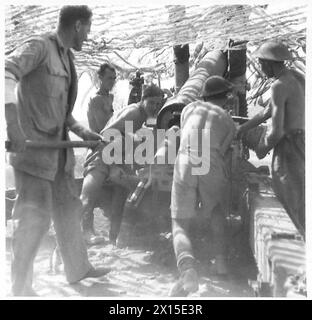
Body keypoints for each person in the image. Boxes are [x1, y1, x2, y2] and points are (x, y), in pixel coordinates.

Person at [5, 5, 111, 296]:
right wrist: (13, 124)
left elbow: (62, 114)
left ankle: (78, 269)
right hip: (34, 155)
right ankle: (21, 287)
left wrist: (84, 132)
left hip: (59, 157)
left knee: (68, 210)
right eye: (88, 29)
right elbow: (6, 71)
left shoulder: (67, 59)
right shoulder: (39, 47)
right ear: (77, 25)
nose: (88, 36)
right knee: (34, 219)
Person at [169, 76, 236, 297]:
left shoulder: (188, 108)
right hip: (211, 161)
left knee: (179, 222)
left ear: (204, 95)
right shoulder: (227, 119)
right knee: (216, 211)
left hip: (187, 159)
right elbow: (224, 151)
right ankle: (221, 263)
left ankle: (188, 271)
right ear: (225, 98)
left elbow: (185, 135)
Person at [81, 84, 164, 245]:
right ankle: (85, 232)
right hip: (101, 153)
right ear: (143, 100)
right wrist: (112, 166)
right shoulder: (134, 113)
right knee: (88, 196)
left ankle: (116, 237)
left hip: (118, 157)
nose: (155, 107)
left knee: (123, 192)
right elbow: (106, 135)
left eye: (158, 104)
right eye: (152, 102)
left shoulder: (142, 116)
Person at [237, 41, 305, 237]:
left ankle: (297, 252)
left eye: (261, 63)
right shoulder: (296, 78)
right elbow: (269, 111)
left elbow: (276, 131)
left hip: (288, 147)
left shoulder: (278, 86)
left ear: (268, 63)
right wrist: (243, 128)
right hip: (301, 143)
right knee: (301, 199)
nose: (260, 68)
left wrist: (262, 148)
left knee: (287, 199)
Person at [87, 63, 116, 134]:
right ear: (101, 78)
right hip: (98, 141)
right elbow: (103, 128)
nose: (112, 82)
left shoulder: (110, 97)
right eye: (109, 78)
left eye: (114, 78)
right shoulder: (96, 99)